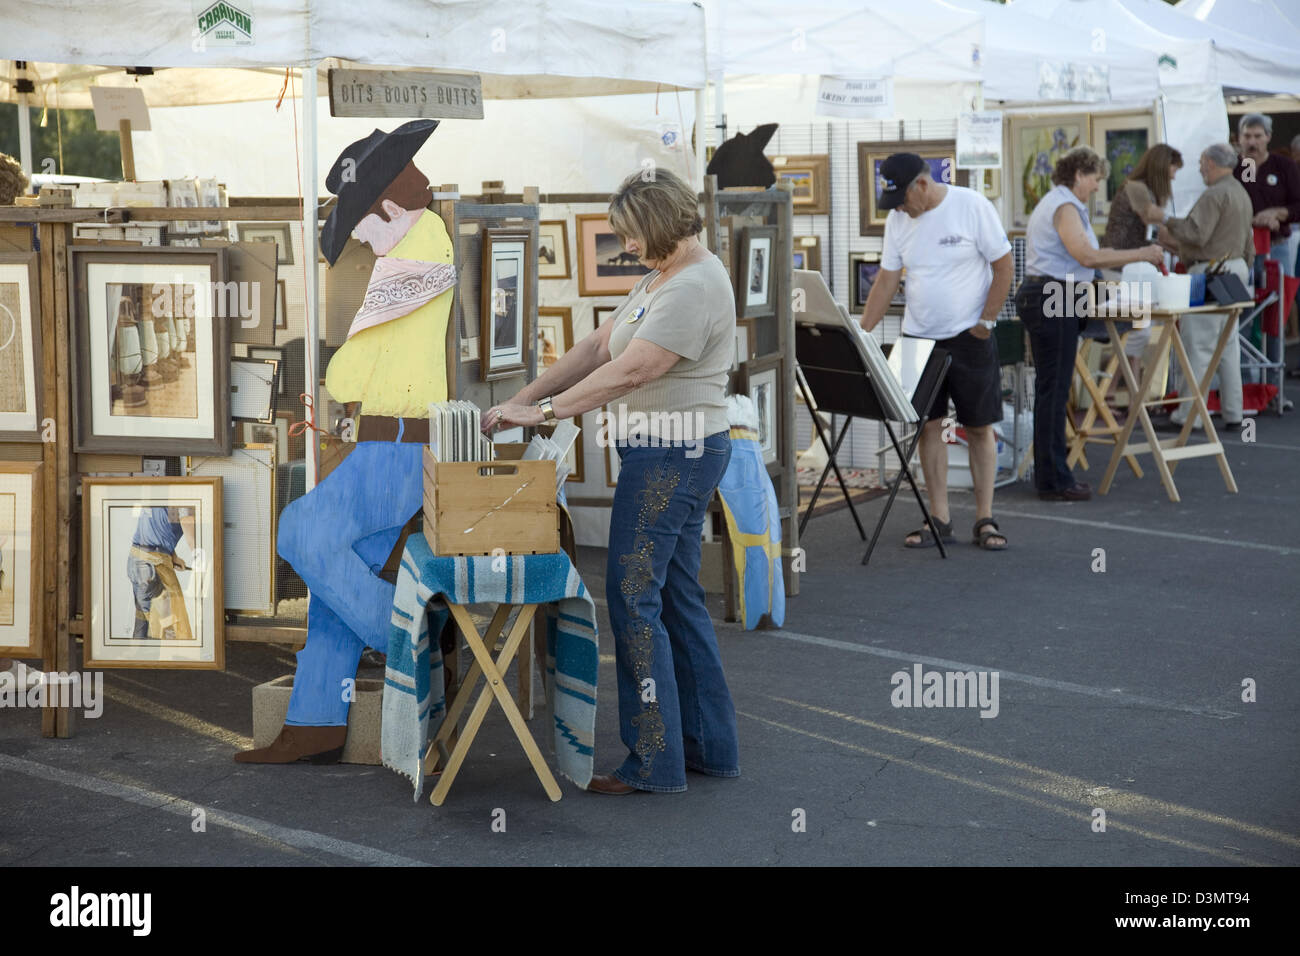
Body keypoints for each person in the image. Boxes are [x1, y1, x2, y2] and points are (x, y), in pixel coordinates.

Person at [484, 167, 739, 794]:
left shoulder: (693, 286)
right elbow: (599, 348)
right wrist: (525, 398)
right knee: (674, 597)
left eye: (630, 234)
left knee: (633, 599)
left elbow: (632, 371)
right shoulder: (663, 278)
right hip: (671, 454)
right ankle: (706, 746)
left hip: (670, 459)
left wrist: (539, 414)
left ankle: (655, 761)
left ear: (659, 225)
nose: (624, 247)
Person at [237, 120, 458, 765]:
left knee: (299, 532)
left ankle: (408, 637)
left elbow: (346, 374)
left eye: (361, 217)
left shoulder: (415, 256)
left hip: (394, 447)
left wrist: (340, 370)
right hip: (393, 442)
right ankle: (315, 718)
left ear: (388, 207)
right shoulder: (422, 246)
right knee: (336, 575)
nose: (357, 231)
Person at [860, 152, 1014, 550]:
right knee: (928, 426)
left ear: (922, 185)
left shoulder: (972, 206)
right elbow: (885, 282)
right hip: (917, 338)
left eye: (901, 199)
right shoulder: (898, 221)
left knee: (980, 426)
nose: (898, 209)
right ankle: (940, 518)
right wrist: (861, 332)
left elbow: (1004, 267)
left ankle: (985, 518)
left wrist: (987, 323)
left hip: (969, 335)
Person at [1015, 146, 1164, 499]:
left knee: (1055, 389)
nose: (1098, 186)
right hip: (1054, 294)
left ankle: (1053, 472)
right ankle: (1054, 480)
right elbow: (1087, 255)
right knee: (1054, 389)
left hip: (1060, 294)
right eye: (1096, 179)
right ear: (1080, 174)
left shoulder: (1063, 203)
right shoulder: (1064, 206)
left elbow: (1085, 261)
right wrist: (1141, 253)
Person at [1142, 143, 1255, 432]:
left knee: (1198, 345)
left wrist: (1165, 221)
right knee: (1226, 346)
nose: (1200, 168)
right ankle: (1234, 411)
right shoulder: (1241, 193)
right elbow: (1248, 245)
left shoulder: (1214, 194)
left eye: (1202, 162)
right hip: (1236, 270)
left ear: (1211, 163)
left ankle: (1188, 415)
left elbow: (1197, 233)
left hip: (1210, 271)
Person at [1096, 144, 1184, 399]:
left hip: (1128, 269)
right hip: (1119, 268)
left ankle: (1130, 395)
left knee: (1135, 331)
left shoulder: (1142, 190)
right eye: (1172, 171)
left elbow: (1159, 233)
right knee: (1137, 331)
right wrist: (1184, 235)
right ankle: (1111, 393)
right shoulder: (1136, 189)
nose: (1174, 177)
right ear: (1160, 167)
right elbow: (1152, 218)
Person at [1234, 114, 1300, 383]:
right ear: (1239, 139)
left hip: (1278, 247)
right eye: (1247, 137)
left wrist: (1280, 213)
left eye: (1257, 136)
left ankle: (1273, 382)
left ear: (1269, 138)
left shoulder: (1283, 166)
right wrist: (1254, 220)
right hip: (1245, 251)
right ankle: (1245, 382)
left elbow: (1298, 205)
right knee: (1245, 311)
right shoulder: (1237, 169)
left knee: (1275, 313)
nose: (1252, 142)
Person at [127, 506, 196, 641]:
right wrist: (200, 557)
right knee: (172, 626)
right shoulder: (186, 494)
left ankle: (139, 660)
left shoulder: (161, 489)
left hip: (136, 558)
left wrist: (172, 555)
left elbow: (158, 525)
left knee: (145, 623)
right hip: (154, 563)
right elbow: (189, 532)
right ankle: (171, 662)